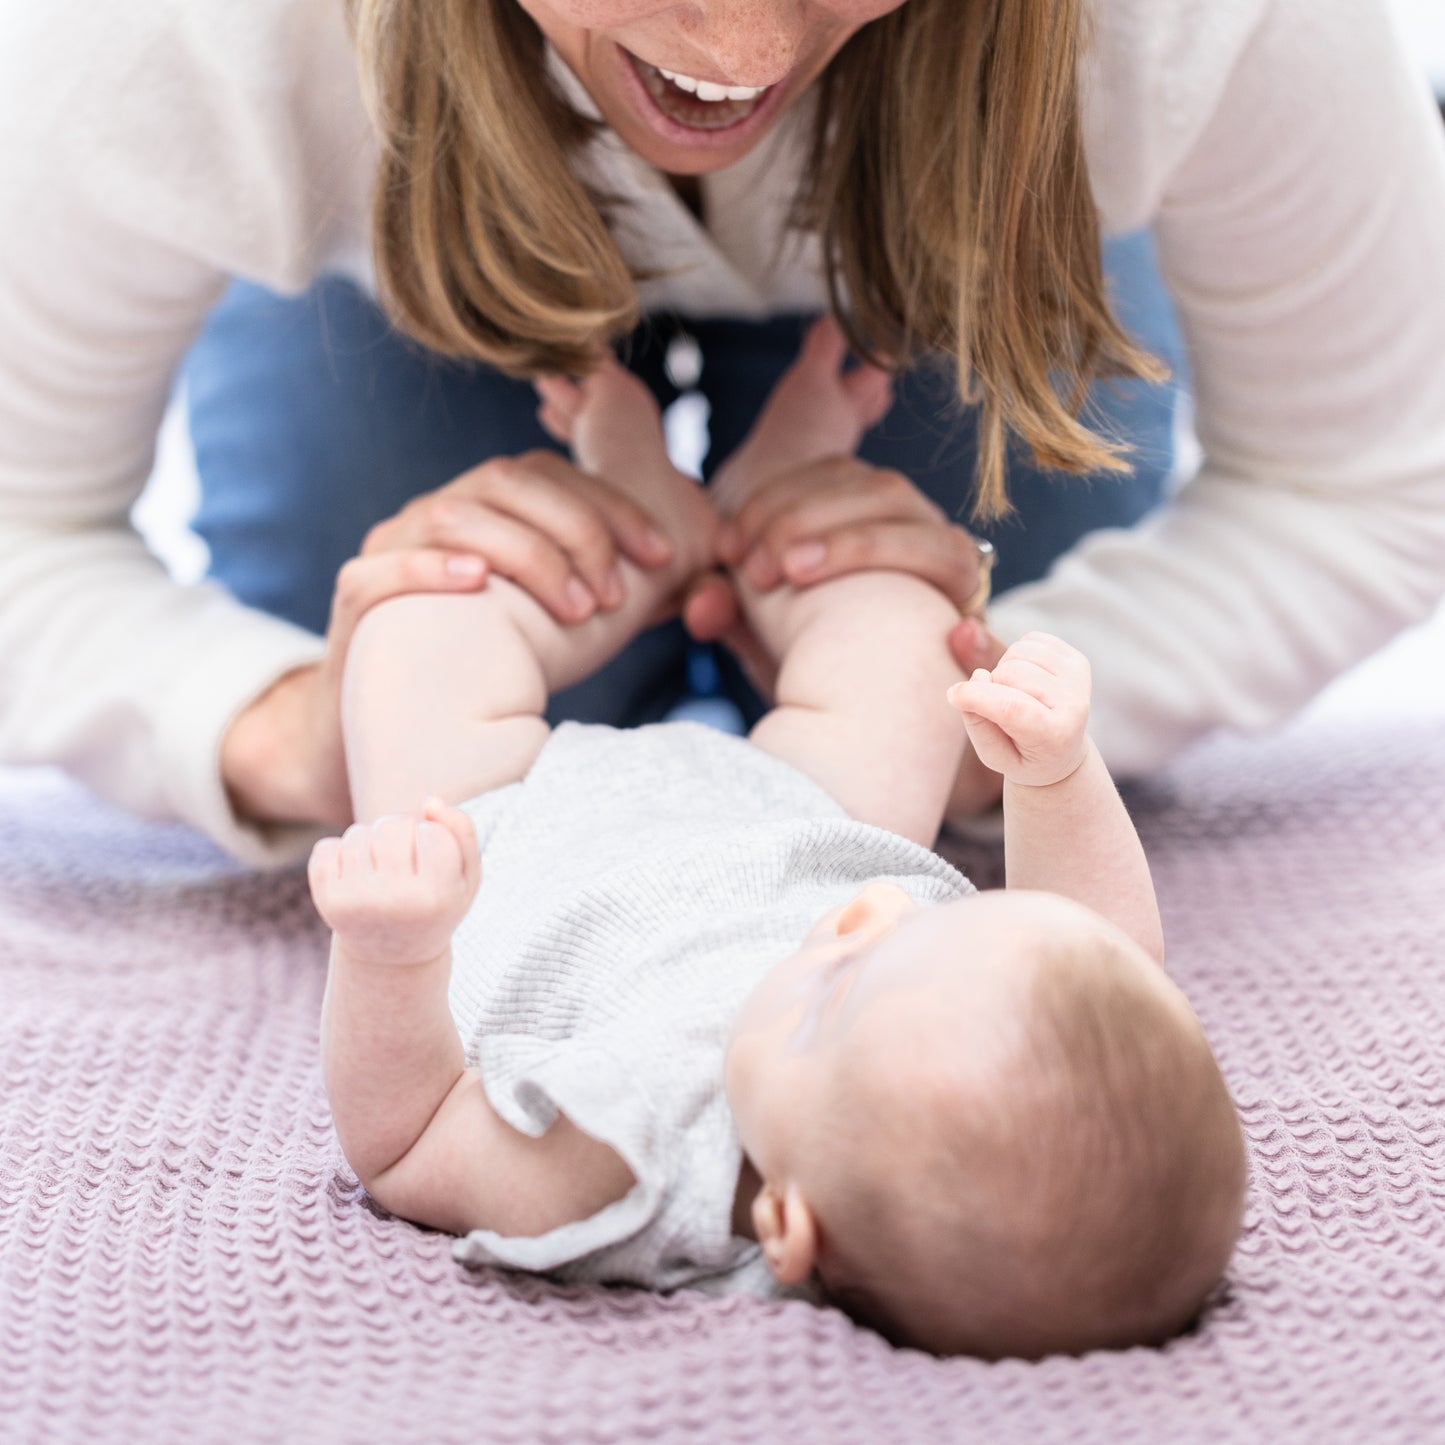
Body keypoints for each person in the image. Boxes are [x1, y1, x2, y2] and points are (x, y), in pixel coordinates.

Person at [2, 0, 1443, 868]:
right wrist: (279, 729)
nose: (737, 53)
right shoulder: (169, 35)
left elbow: (1371, 485)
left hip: (954, 256)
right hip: (403, 250)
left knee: (963, 671)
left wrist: (1014, 740)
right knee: (395, 658)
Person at [309, 324, 1246, 1358]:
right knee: (908, 641)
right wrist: (1054, 767)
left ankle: (642, 519)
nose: (871, 913)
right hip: (806, 811)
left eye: (832, 992)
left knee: (417, 624)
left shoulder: (630, 1165)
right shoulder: (882, 954)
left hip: (508, 831)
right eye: (903, 937)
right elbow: (1099, 943)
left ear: (785, 1228)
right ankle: (779, 502)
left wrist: (394, 951)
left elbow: (405, 1140)